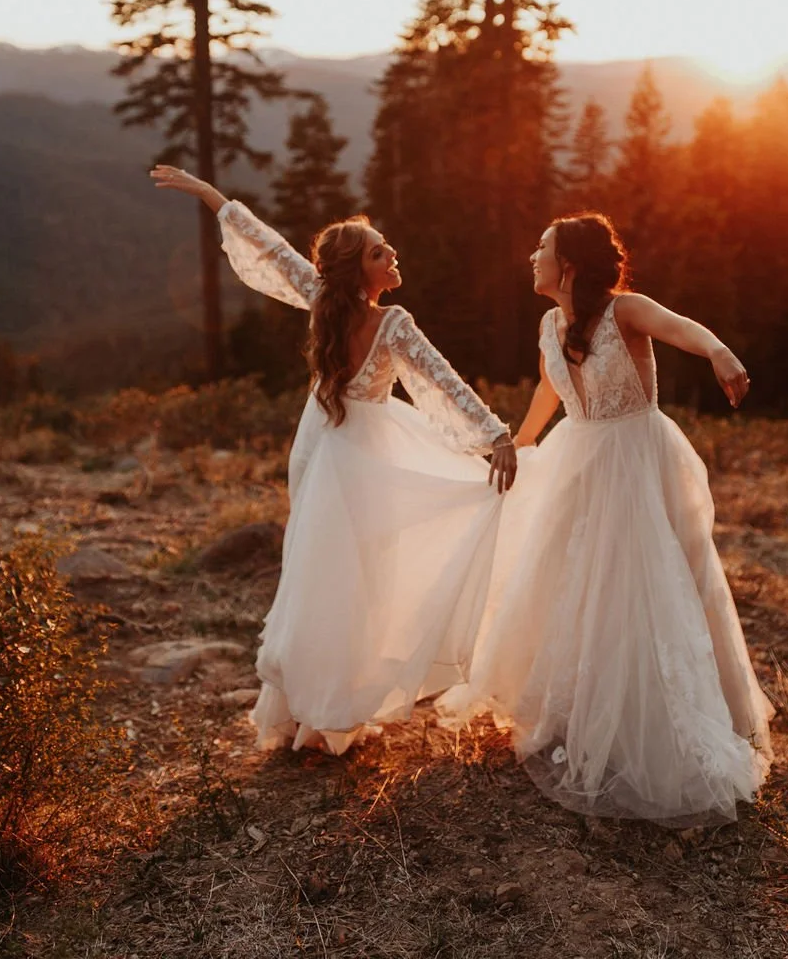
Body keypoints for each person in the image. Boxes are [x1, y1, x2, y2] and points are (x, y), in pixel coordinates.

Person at [151, 165, 517, 754]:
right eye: (379, 251)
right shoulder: (388, 322)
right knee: (357, 577)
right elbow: (442, 382)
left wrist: (213, 197)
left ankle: (313, 709)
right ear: (358, 270)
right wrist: (494, 434)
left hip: (322, 438)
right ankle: (327, 707)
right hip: (361, 450)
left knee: (323, 571)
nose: (392, 253)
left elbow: (270, 248)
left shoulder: (326, 300)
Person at [439, 212, 773, 823]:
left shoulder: (626, 310)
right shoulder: (548, 323)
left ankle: (664, 721)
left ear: (567, 263)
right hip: (580, 455)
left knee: (652, 585)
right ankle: (578, 711)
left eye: (541, 246)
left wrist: (721, 353)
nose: (531, 255)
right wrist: (519, 443)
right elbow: (549, 390)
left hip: (636, 459)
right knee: (572, 583)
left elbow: (681, 327)